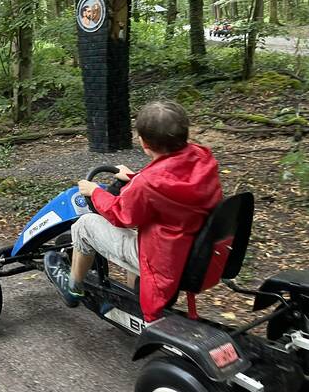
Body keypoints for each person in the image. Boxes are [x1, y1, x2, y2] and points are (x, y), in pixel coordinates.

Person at [43, 100, 223, 323]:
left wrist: (94, 192)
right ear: (185, 134)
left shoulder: (148, 184)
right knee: (140, 232)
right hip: (194, 248)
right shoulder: (202, 158)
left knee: (84, 225)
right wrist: (134, 177)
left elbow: (121, 215)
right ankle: (133, 294)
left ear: (143, 142)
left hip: (163, 260)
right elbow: (171, 184)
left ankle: (72, 287)